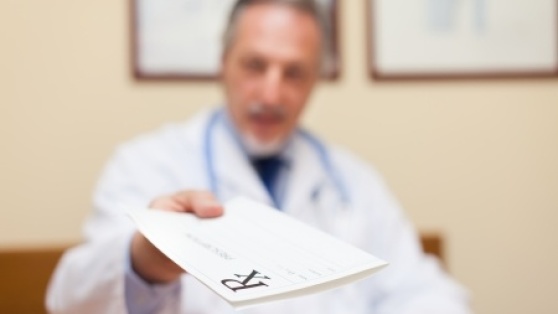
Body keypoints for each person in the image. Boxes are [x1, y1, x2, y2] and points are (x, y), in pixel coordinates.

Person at [46, 0, 471, 313]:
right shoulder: (146, 164)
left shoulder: (354, 182)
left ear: (316, 81)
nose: (271, 94)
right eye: (255, 65)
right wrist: (145, 261)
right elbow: (69, 299)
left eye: (294, 73)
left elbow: (425, 293)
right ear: (223, 64)